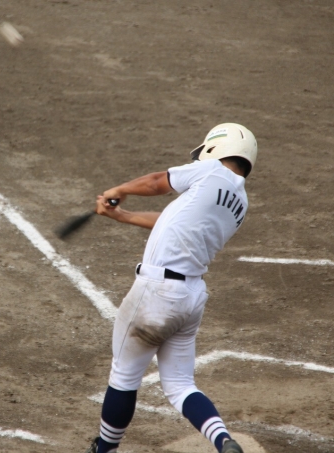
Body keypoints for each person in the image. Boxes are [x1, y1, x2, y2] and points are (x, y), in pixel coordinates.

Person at [84, 123, 258, 453]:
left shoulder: (211, 171)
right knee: (180, 385)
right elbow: (172, 220)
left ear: (216, 148)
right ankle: (223, 441)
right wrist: (123, 216)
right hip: (191, 299)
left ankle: (105, 449)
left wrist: (119, 189)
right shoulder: (240, 202)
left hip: (156, 293)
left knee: (124, 376)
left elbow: (156, 182)